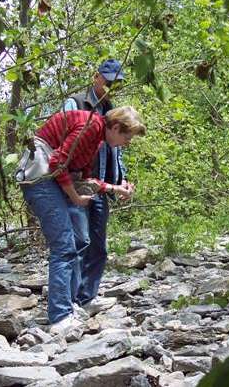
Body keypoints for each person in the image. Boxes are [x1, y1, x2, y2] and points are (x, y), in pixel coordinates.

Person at [21, 106, 146, 334]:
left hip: (50, 178)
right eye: (126, 138)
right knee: (64, 246)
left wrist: (116, 188)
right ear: (116, 127)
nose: (127, 143)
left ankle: (70, 306)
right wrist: (76, 198)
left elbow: (84, 177)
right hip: (39, 179)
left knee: (80, 241)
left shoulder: (98, 138)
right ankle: (60, 318)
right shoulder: (91, 126)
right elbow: (57, 162)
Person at [62, 59, 133, 311]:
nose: (113, 86)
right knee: (79, 242)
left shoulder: (112, 108)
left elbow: (117, 151)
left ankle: (87, 298)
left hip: (103, 188)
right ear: (96, 77)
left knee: (98, 247)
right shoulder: (76, 103)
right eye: (109, 81)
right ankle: (70, 302)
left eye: (117, 83)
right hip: (79, 184)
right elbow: (63, 142)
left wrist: (121, 178)